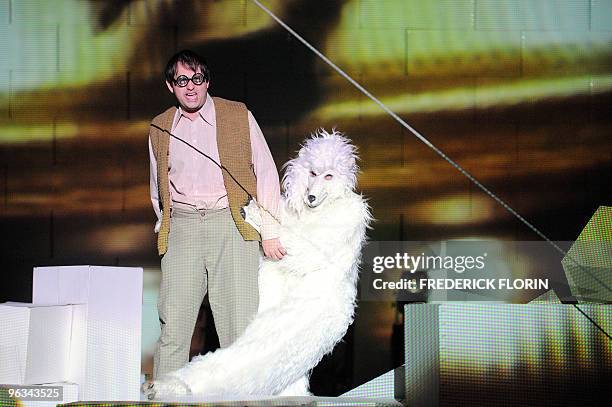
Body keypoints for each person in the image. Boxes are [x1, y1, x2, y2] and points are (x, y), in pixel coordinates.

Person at [148, 49, 285, 379]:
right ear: (171, 86)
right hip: (183, 227)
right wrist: (166, 225)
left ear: (207, 80)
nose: (191, 87)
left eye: (197, 78)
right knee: (174, 324)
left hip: (231, 223)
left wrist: (270, 230)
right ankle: (166, 398)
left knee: (239, 325)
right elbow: (157, 185)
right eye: (182, 80)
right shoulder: (160, 127)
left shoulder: (237, 115)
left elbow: (265, 172)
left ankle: (245, 400)